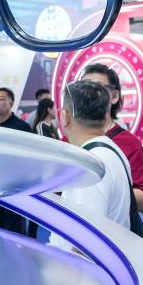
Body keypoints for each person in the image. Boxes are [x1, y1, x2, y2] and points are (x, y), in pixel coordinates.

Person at [49, 81, 132, 251]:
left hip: (78, 266)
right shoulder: (111, 150)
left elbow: (88, 243)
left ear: (65, 117)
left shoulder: (91, 165)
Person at [80, 63, 143, 211]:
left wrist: (106, 186)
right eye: (84, 88)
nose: (89, 94)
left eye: (97, 88)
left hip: (111, 224)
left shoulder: (130, 144)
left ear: (114, 96)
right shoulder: (68, 139)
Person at [0, 87, 32, 235]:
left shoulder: (22, 128)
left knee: (14, 231)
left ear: (11, 103)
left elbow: (28, 159)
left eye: (1, 99)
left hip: (13, 187)